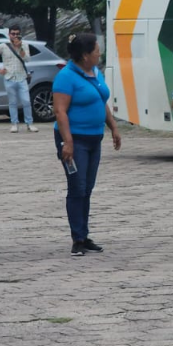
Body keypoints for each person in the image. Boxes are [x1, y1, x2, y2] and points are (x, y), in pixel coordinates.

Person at [53, 33, 122, 257]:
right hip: (75, 140)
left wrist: (113, 127)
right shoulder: (66, 77)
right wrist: (68, 143)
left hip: (94, 138)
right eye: (96, 51)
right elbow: (60, 111)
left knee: (87, 188)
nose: (99, 54)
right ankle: (78, 238)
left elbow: (101, 101)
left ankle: (84, 233)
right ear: (84, 55)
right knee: (77, 187)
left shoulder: (95, 72)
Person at [0, 25, 37, 133]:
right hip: (9, 77)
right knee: (12, 102)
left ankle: (29, 123)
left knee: (26, 101)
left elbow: (27, 59)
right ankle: (14, 123)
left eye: (17, 34)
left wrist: (20, 48)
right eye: (13, 34)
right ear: (9, 34)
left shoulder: (24, 44)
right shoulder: (3, 46)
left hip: (22, 77)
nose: (15, 36)